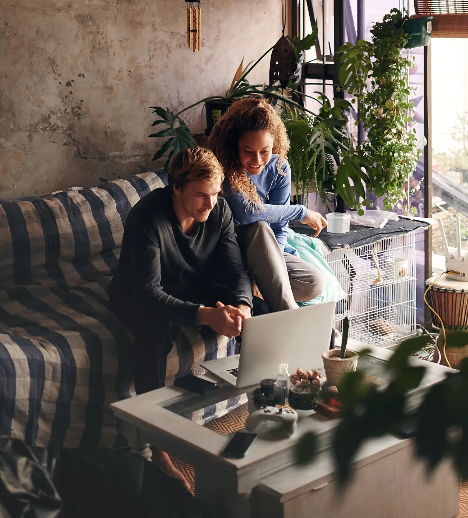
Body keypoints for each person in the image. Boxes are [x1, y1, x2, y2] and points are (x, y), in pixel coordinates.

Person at [108, 146, 252, 482]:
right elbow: (148, 293)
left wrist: (242, 306)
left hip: (191, 286)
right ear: (176, 187)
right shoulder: (148, 217)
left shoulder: (219, 211)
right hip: (138, 295)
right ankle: (157, 449)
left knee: (255, 309)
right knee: (153, 333)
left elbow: (235, 270)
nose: (210, 204)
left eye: (215, 194)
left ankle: (266, 406)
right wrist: (204, 316)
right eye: (201, 195)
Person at [208, 97, 327, 311]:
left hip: (265, 255)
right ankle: (291, 317)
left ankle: (262, 293)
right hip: (232, 253)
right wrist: (301, 212)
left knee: (314, 283)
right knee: (260, 228)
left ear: (275, 143)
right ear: (235, 145)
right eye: (248, 151)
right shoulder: (225, 166)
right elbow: (248, 213)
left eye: (265, 151)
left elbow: (280, 228)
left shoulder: (279, 168)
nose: (257, 160)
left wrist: (269, 269)